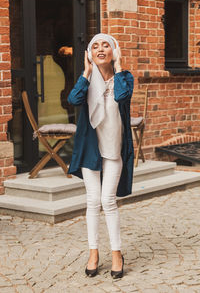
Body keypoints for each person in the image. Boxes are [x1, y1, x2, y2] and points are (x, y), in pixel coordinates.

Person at [67, 33, 134, 279]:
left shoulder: (124, 78)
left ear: (114, 49)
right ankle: (93, 252)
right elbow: (72, 100)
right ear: (89, 53)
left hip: (114, 148)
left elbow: (122, 97)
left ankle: (116, 253)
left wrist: (116, 67)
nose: (100, 49)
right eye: (95, 46)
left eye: (106, 44)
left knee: (109, 201)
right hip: (90, 149)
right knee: (93, 201)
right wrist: (86, 72)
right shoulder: (86, 81)